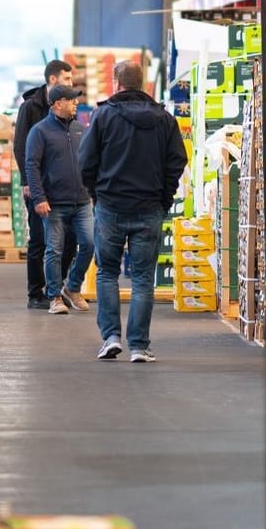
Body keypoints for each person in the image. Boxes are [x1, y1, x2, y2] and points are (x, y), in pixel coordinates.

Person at [79, 60, 186, 363]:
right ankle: (139, 346)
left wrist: (96, 194)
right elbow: (177, 161)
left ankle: (111, 337)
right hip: (149, 208)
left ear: (116, 83)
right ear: (143, 84)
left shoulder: (103, 117)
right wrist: (164, 198)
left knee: (107, 274)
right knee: (141, 279)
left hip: (111, 206)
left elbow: (85, 161)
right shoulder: (165, 119)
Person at [24, 85, 94, 316]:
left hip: (82, 201)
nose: (76, 103)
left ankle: (72, 287)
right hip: (53, 203)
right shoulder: (39, 131)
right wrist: (39, 197)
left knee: (90, 243)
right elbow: (31, 166)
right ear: (57, 104)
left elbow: (89, 161)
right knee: (54, 249)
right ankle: (54, 296)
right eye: (71, 99)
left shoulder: (80, 129)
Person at [13, 59, 77, 311]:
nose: (72, 85)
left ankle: (57, 289)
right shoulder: (31, 107)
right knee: (39, 240)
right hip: (38, 186)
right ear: (53, 80)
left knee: (70, 239)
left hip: (64, 188)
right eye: (68, 79)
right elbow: (20, 146)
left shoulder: (68, 108)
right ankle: (35, 293)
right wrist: (27, 182)